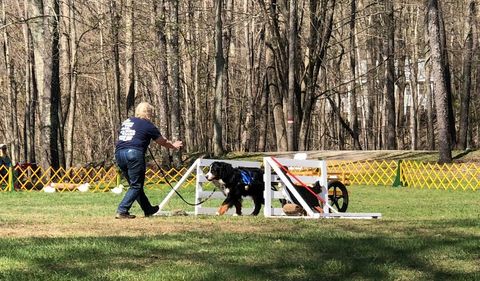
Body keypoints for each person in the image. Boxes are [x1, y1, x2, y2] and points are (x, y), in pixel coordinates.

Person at [114, 102, 183, 219]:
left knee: (134, 185)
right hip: (134, 154)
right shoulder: (148, 125)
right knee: (136, 186)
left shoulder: (127, 122)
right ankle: (122, 210)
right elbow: (162, 141)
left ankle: (148, 209)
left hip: (119, 153)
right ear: (149, 113)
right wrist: (174, 145)